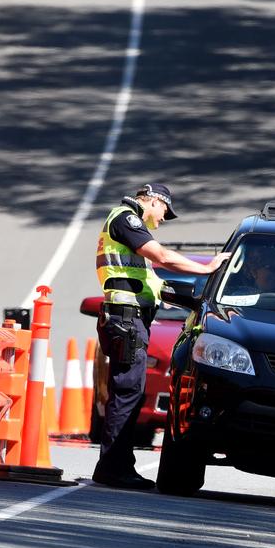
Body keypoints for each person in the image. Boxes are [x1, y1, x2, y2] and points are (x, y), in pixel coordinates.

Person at [92, 183, 228, 489]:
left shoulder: (128, 229)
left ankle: (117, 465)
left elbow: (152, 280)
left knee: (129, 391)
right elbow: (163, 256)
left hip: (128, 318)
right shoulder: (127, 219)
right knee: (127, 392)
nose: (164, 218)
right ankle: (113, 468)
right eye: (165, 210)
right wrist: (207, 269)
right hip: (127, 319)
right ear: (154, 201)